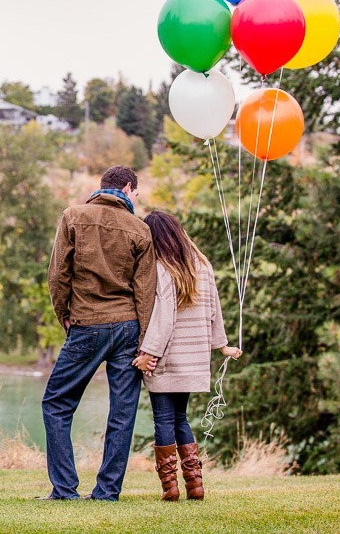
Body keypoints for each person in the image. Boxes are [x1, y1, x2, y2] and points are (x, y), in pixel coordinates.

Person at [39, 165, 157, 501]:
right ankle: (107, 492)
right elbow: (145, 291)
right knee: (122, 411)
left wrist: (64, 314)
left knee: (56, 403)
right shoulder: (140, 229)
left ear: (101, 186)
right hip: (128, 327)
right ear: (129, 188)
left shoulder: (73, 216)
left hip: (86, 324)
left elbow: (57, 274)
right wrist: (144, 341)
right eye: (135, 192)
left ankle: (64, 489)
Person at [132, 211, 242, 501]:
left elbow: (164, 318)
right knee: (180, 418)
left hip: (167, 358)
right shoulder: (202, 264)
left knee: (163, 421)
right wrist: (222, 345)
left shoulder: (162, 268)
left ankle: (170, 489)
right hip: (194, 358)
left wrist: (148, 354)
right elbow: (213, 309)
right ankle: (196, 485)